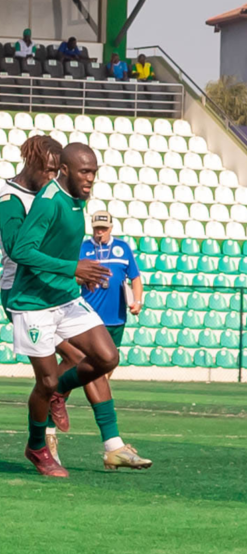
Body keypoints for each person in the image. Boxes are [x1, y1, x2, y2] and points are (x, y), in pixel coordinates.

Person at [7, 142, 152, 477]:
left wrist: (75, 274)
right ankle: (37, 446)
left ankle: (60, 390)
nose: (90, 179)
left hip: (65, 297)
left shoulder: (78, 198)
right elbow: (21, 251)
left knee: (107, 357)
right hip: (33, 304)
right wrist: (72, 268)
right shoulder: (49, 202)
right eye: (84, 172)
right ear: (65, 170)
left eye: (94, 173)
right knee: (44, 381)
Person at [80, 211, 143, 374]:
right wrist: (83, 278)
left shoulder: (123, 247)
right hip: (90, 315)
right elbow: (72, 277)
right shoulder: (83, 247)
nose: (100, 232)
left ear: (111, 228)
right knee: (90, 358)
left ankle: (104, 387)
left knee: (111, 359)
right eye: (97, 228)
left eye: (104, 228)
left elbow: (135, 277)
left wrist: (137, 301)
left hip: (116, 315)